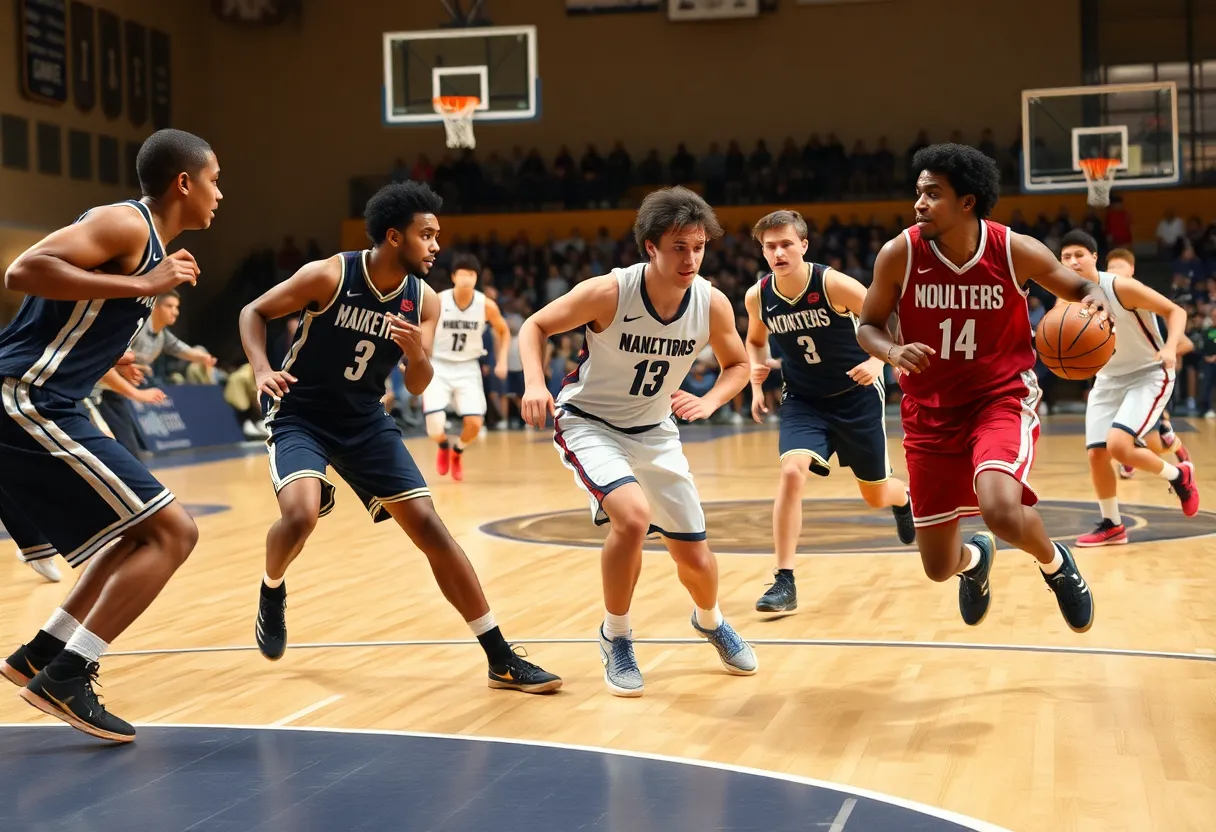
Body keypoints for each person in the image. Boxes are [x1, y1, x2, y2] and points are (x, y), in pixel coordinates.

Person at [238, 181, 560, 694]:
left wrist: (417, 354)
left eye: (437, 236)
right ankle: (272, 589)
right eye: (426, 235)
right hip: (302, 413)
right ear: (394, 237)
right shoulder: (330, 274)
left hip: (365, 420)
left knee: (430, 526)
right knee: (299, 515)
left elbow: (416, 384)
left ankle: (500, 657)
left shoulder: (423, 301)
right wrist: (259, 370)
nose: (436, 246)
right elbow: (252, 312)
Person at [0, 128, 220, 742]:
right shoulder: (127, 224)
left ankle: (42, 655)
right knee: (175, 530)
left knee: (131, 535)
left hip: (49, 397)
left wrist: (106, 358)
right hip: (24, 398)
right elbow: (25, 270)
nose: (219, 193)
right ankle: (70, 673)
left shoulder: (149, 246)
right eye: (214, 179)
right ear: (184, 183)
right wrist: (144, 286)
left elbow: (70, 322)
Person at [857, 143, 1109, 634]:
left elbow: (1077, 287)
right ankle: (975, 563)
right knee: (937, 566)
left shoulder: (1014, 250)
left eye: (933, 194)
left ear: (967, 202)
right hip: (928, 412)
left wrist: (1095, 294)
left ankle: (1056, 566)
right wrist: (890, 352)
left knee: (999, 509)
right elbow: (868, 325)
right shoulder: (899, 253)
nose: (920, 203)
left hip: (999, 399)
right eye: (918, 193)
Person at [518, 186, 758, 697]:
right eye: (678, 247)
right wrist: (535, 384)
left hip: (655, 430)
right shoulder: (610, 291)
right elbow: (535, 326)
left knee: (696, 561)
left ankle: (710, 620)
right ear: (650, 247)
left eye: (698, 247)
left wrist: (711, 401)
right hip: (590, 422)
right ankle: (616, 635)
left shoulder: (711, 303)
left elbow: (738, 365)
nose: (690, 258)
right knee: (631, 517)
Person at [745, 210, 915, 613]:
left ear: (804, 245)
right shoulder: (758, 295)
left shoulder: (832, 283)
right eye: (770, 246)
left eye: (786, 243)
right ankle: (784, 580)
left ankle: (903, 498)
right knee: (791, 471)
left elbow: (893, 316)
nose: (778, 252)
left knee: (875, 495)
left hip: (854, 397)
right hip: (804, 400)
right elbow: (754, 341)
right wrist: (756, 376)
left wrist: (879, 363)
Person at [1056, 232, 1198, 546]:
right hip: (1108, 380)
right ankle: (1113, 524)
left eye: (1079, 254)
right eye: (1065, 257)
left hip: (1147, 374)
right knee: (1096, 454)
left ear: (1095, 257)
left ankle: (1180, 475)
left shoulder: (1121, 287)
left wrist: (1171, 347)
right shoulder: (1064, 295)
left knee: (1120, 446)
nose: (1072, 262)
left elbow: (1177, 312)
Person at [1102, 249, 1193, 483]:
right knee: (1122, 431)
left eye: (1119, 268)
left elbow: (1187, 343)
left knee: (1154, 442)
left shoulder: (1146, 302)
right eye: (1110, 269)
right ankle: (1136, 457)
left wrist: (1166, 350)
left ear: (1132, 271)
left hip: (1149, 375)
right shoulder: (1104, 301)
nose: (1114, 273)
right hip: (1119, 375)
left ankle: (1174, 446)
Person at [422, 253, 509, 481]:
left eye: (471, 274)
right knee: (435, 425)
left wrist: (502, 361)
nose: (466, 279)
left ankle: (457, 451)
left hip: (468, 366)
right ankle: (442, 445)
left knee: (475, 423)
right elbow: (423, 327)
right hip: (439, 364)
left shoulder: (485, 305)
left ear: (476, 277)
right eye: (462, 274)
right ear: (453, 277)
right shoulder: (438, 300)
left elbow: (503, 330)